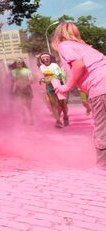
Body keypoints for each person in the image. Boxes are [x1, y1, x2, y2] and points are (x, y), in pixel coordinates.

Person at [51, 22, 106, 172]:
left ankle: (102, 167)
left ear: (57, 35)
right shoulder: (86, 47)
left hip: (100, 88)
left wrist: (67, 87)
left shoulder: (64, 46)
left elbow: (79, 66)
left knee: (102, 128)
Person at [37, 52, 69, 128]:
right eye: (43, 58)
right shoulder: (42, 67)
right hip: (49, 87)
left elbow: (59, 76)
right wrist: (42, 79)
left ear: (50, 58)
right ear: (42, 60)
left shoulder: (54, 66)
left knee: (62, 104)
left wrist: (50, 78)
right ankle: (58, 121)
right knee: (53, 104)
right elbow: (44, 76)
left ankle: (65, 116)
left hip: (58, 85)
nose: (45, 59)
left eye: (47, 58)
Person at [9, 58, 34, 125]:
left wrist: (26, 83)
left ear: (22, 63)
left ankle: (31, 119)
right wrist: (13, 90)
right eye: (17, 62)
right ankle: (24, 118)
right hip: (19, 90)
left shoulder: (27, 71)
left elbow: (31, 80)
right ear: (16, 63)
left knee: (29, 105)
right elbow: (13, 81)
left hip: (27, 89)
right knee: (21, 105)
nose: (19, 63)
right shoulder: (13, 72)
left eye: (20, 62)